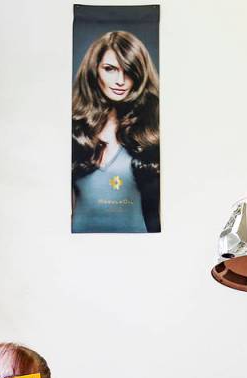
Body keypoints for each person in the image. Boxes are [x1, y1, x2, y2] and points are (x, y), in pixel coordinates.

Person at [71, 30, 160, 233]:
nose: (120, 80)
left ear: (140, 74)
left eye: (129, 71)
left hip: (140, 248)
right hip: (76, 248)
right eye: (110, 69)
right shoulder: (74, 131)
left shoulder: (151, 133)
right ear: (95, 71)